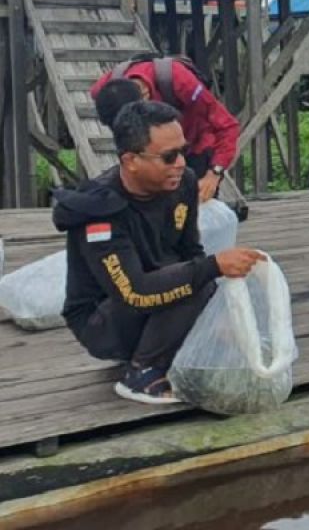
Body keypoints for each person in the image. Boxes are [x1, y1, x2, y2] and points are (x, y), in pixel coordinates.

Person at [51, 101, 264, 405]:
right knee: (199, 277)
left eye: (183, 152)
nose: (180, 163)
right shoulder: (99, 211)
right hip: (106, 318)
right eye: (168, 157)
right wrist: (212, 268)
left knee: (210, 280)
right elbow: (133, 292)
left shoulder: (184, 183)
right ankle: (142, 371)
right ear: (131, 160)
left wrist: (217, 318)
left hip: (156, 295)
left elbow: (191, 251)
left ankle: (170, 347)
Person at [92, 57, 240, 203]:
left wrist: (214, 174)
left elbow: (227, 126)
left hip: (195, 149)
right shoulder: (102, 90)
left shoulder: (182, 82)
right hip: (151, 158)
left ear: (146, 96)